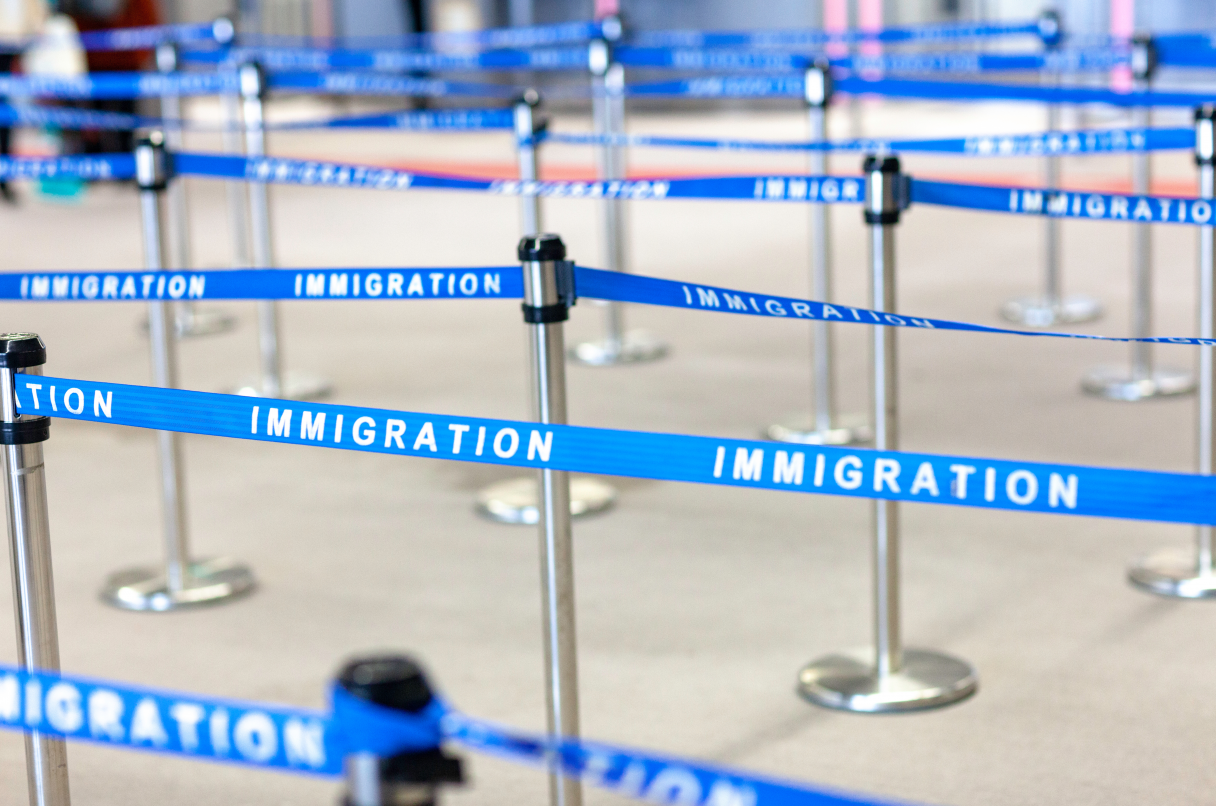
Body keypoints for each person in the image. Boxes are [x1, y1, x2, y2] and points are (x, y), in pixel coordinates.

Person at [59, 0, 159, 154]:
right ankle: (107, 163)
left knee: (115, 124)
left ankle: (116, 165)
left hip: (115, 59)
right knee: (96, 125)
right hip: (99, 58)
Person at [0, 0, 49, 201]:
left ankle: (4, 178)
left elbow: (37, 11)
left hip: (15, 47)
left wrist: (36, 31)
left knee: (6, 117)